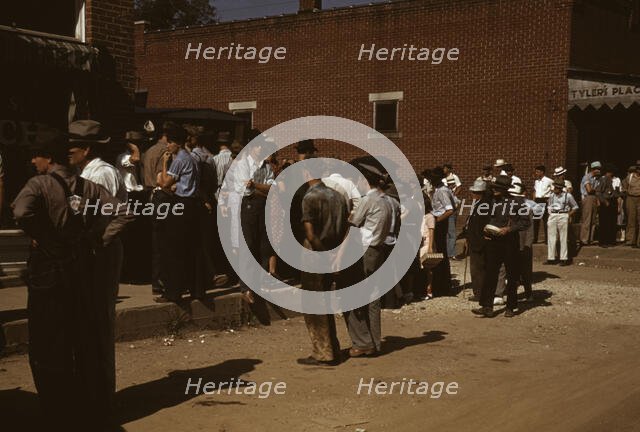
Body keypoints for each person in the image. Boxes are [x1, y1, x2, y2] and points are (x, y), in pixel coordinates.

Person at [12, 135, 132, 429]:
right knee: (81, 335)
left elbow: (20, 212)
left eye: (36, 156)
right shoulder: (88, 186)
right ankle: (86, 405)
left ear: (48, 159)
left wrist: (44, 237)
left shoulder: (38, 185)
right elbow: (123, 213)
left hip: (48, 270)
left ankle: (56, 408)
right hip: (81, 267)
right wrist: (96, 240)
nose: (32, 162)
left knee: (48, 339)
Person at [297, 164, 349, 366]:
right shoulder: (337, 195)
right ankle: (332, 348)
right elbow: (346, 227)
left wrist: (324, 255)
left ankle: (323, 352)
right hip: (334, 249)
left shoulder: (310, 197)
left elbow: (310, 234)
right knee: (325, 302)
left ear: (306, 173)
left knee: (314, 306)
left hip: (315, 254)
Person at [68, 120, 126, 300]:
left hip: (99, 246)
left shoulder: (101, 173)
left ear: (86, 150)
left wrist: (96, 242)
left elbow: (102, 215)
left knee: (99, 305)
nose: (67, 152)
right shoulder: (82, 173)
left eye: (72, 148)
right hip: (89, 246)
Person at [343, 163, 392, 357]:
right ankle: (375, 341)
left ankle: (363, 342)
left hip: (366, 251)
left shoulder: (368, 200)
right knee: (373, 298)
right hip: (379, 249)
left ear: (365, 181)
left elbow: (352, 222)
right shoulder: (387, 201)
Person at [472, 175, 530, 318]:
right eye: (493, 188)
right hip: (493, 241)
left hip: (510, 242)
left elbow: (525, 222)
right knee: (490, 273)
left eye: (497, 189)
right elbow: (482, 218)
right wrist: (484, 231)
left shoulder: (517, 202)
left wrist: (509, 229)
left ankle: (511, 306)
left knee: (512, 275)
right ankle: (487, 306)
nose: (494, 190)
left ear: (505, 190)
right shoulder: (490, 201)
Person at [233, 134, 277, 324]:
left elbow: (272, 188)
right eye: (259, 147)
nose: (262, 150)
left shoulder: (266, 166)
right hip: (248, 206)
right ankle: (246, 287)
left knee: (263, 245)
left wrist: (257, 187)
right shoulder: (242, 165)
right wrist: (261, 188)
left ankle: (257, 284)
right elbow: (245, 190)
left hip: (261, 206)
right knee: (249, 244)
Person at [156, 122, 201, 302]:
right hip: (191, 204)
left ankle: (173, 291)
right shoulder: (192, 158)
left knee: (174, 249)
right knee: (190, 249)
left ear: (177, 143)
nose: (167, 146)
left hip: (181, 204)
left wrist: (165, 164)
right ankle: (195, 289)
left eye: (169, 142)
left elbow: (165, 182)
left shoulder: (179, 159)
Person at [462, 179, 492, 301]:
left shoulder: (484, 205)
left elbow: (482, 224)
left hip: (479, 242)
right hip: (474, 240)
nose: (472, 194)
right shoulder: (478, 203)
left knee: (478, 269)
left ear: (480, 193)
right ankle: (479, 292)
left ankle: (480, 294)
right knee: (477, 268)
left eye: (474, 192)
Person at [429, 167, 455, 296]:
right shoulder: (440, 190)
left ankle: (442, 286)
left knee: (440, 253)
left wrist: (437, 220)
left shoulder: (442, 191)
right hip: (439, 221)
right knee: (440, 252)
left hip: (440, 223)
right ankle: (442, 284)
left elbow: (450, 210)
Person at [510, 183, 536, 301]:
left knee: (525, 270)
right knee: (511, 271)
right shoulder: (508, 209)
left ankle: (528, 293)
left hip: (523, 244)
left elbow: (530, 230)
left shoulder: (526, 209)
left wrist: (527, 245)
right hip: (511, 245)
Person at [545, 180, 578, 265]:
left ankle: (564, 258)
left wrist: (568, 215)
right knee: (551, 237)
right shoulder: (551, 196)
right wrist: (550, 214)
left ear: (561, 188)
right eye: (554, 187)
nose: (555, 189)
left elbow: (575, 207)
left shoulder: (568, 196)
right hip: (553, 215)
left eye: (557, 188)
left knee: (563, 237)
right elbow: (549, 206)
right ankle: (551, 258)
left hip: (563, 215)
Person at [580, 161, 602, 246]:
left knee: (593, 220)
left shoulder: (596, 179)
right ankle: (584, 239)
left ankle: (590, 239)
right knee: (587, 219)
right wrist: (597, 190)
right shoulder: (586, 177)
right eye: (598, 169)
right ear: (594, 169)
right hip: (587, 198)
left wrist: (597, 199)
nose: (599, 171)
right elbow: (589, 190)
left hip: (594, 198)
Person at [596, 165, 618, 247]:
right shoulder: (604, 179)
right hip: (606, 202)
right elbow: (598, 192)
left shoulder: (611, 180)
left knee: (610, 222)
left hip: (611, 201)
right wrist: (604, 201)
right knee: (604, 222)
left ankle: (609, 240)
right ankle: (603, 241)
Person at [419, 194, 436, 300]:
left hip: (427, 243)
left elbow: (431, 231)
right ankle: (423, 289)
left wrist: (430, 247)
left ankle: (429, 290)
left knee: (428, 268)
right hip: (422, 243)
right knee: (423, 267)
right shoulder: (422, 216)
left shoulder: (430, 216)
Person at [533, 165, 553, 243]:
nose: (536, 173)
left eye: (537, 172)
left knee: (546, 221)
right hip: (537, 201)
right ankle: (535, 239)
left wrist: (549, 200)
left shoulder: (549, 181)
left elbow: (553, 191)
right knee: (536, 221)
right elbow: (535, 191)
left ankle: (547, 240)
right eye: (536, 172)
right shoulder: (536, 181)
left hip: (545, 200)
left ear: (542, 172)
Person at [623, 166, 640, 248]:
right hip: (631, 198)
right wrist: (627, 192)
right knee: (631, 219)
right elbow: (624, 187)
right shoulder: (629, 177)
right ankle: (630, 240)